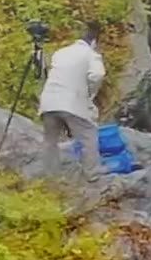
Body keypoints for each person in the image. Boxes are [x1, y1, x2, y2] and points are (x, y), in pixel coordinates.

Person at [36, 24, 106, 159]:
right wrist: (89, 93)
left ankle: (49, 176)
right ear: (93, 42)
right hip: (71, 102)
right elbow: (98, 75)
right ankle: (93, 176)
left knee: (50, 142)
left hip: (48, 102)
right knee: (89, 137)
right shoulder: (91, 54)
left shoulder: (60, 53)